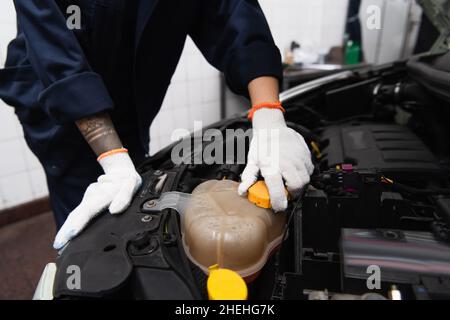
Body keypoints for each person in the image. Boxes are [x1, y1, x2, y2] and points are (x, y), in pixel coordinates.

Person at [0, 0, 313, 249]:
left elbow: (236, 15)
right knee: (91, 221)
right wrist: (111, 157)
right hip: (60, 108)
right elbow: (54, 47)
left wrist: (269, 115)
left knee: (133, 191)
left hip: (130, 102)